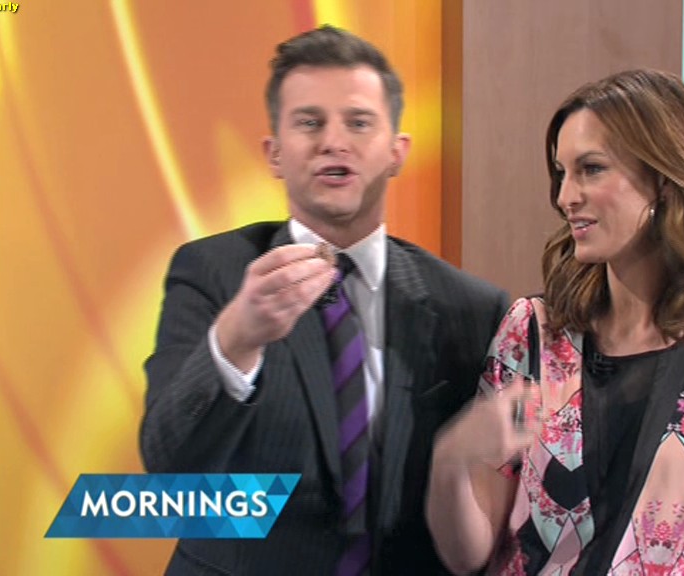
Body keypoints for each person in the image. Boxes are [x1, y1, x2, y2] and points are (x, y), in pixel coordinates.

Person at [427, 69, 684, 575]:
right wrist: (451, 459)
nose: (565, 196)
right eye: (561, 172)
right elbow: (467, 554)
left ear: (664, 179)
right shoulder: (532, 332)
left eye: (591, 169)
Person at [140, 24, 509, 575]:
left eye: (358, 122)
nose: (333, 142)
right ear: (274, 154)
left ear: (397, 152)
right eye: (309, 123)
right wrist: (237, 338)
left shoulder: (473, 309)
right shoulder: (212, 274)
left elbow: (479, 520)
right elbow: (168, 466)